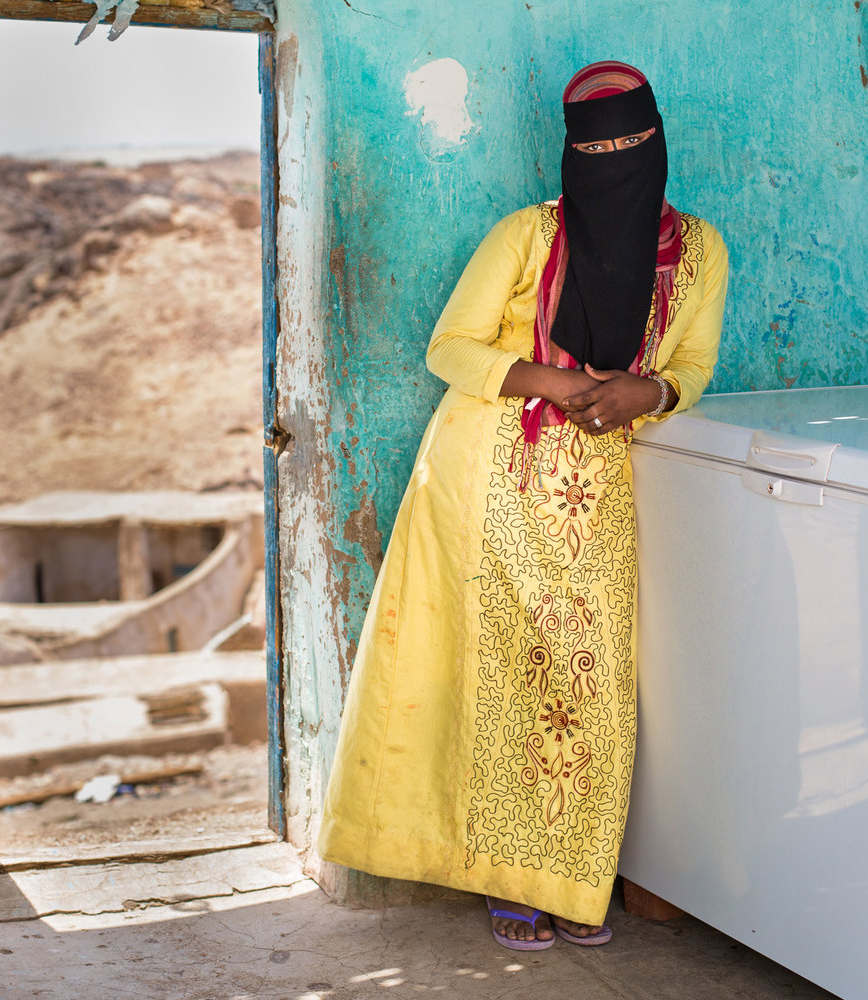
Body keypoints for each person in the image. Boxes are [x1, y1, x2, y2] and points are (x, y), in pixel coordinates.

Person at [316, 60, 729, 951]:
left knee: (590, 681)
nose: (615, 161)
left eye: (633, 143)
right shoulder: (526, 234)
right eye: (596, 147)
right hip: (488, 479)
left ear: (659, 144)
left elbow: (693, 366)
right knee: (502, 677)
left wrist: (646, 395)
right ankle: (509, 882)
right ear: (571, 155)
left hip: (599, 487)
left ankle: (571, 878)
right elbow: (448, 348)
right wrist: (562, 379)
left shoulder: (697, 250)